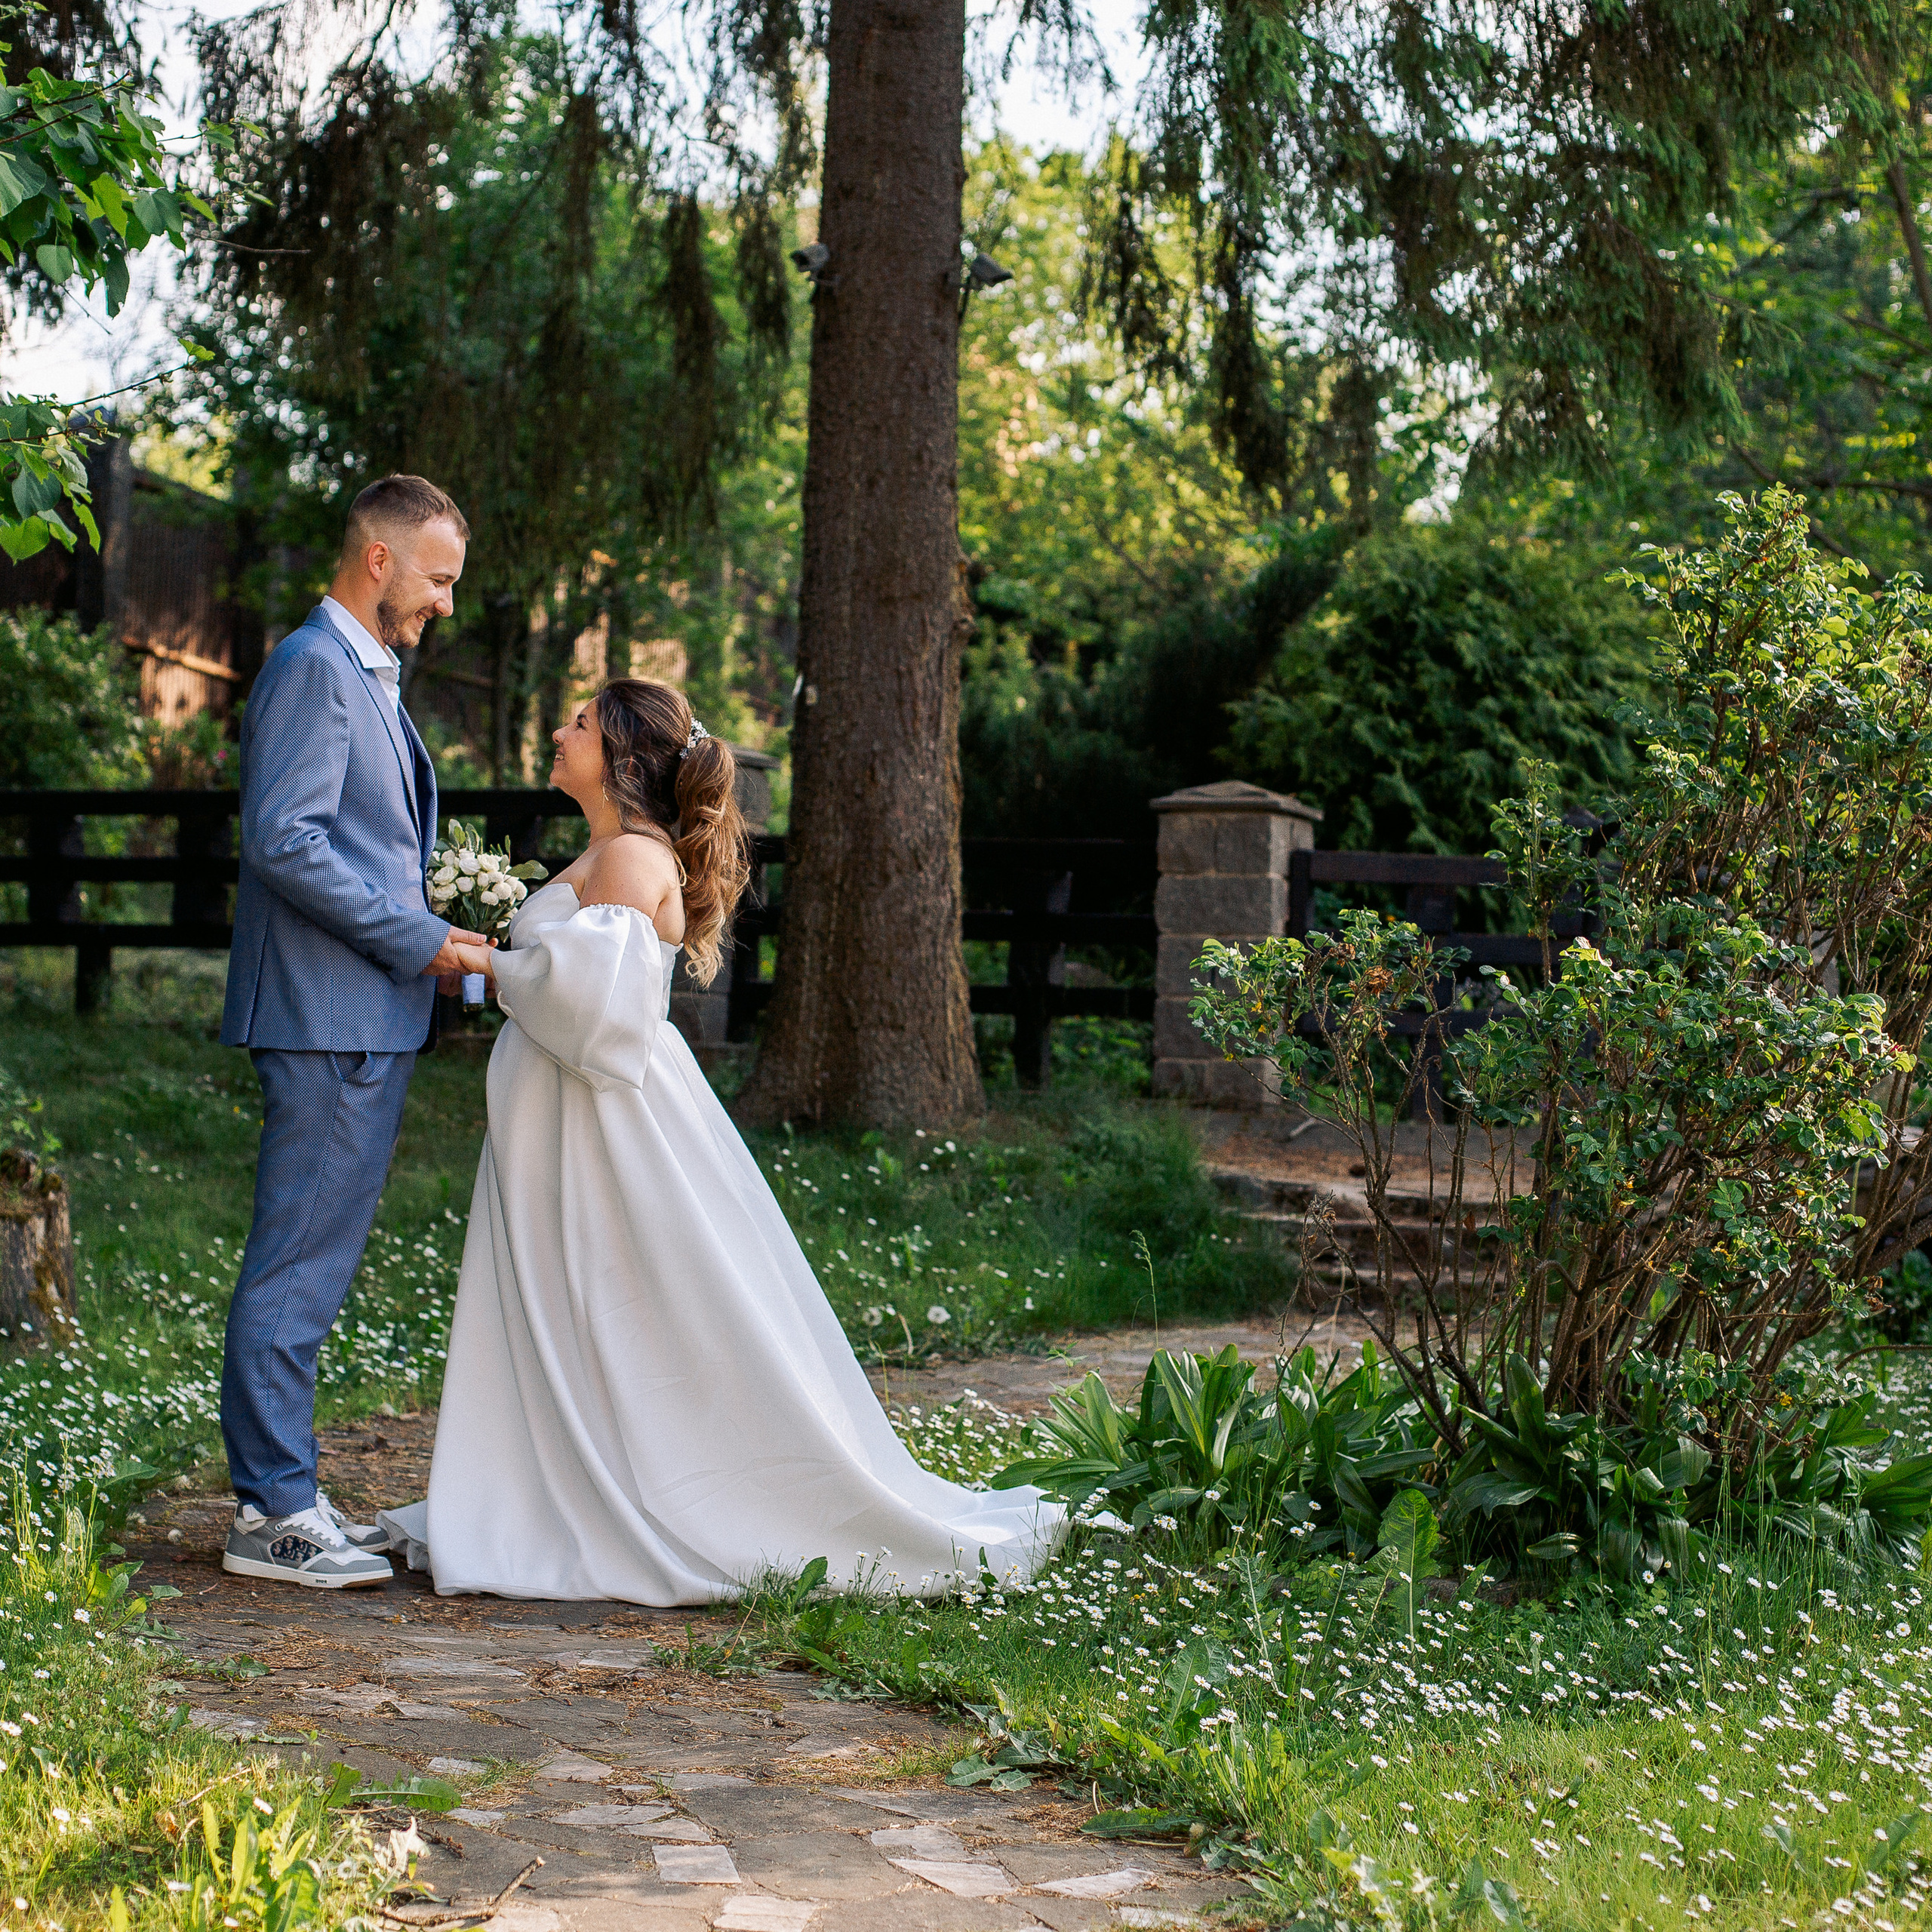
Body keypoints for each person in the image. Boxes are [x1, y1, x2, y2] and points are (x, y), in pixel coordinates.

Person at [377, 681, 1062, 1601]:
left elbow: (601, 1009)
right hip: (567, 1119)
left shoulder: (628, 856)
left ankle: (633, 1487)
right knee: (574, 1303)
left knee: (619, 1302)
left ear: (622, 757)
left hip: (601, 1126)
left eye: (577, 723)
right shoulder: (611, 850)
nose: (556, 731)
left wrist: (485, 962)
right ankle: (556, 1481)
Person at [219, 475, 491, 1589]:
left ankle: (289, 1490)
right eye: (437, 579)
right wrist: (416, 937)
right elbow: (283, 842)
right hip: (329, 1016)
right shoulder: (315, 669)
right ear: (378, 559)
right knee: (296, 1267)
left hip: (357, 1017)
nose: (445, 604)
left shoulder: (362, 673)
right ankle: (272, 1515)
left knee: (311, 1266)